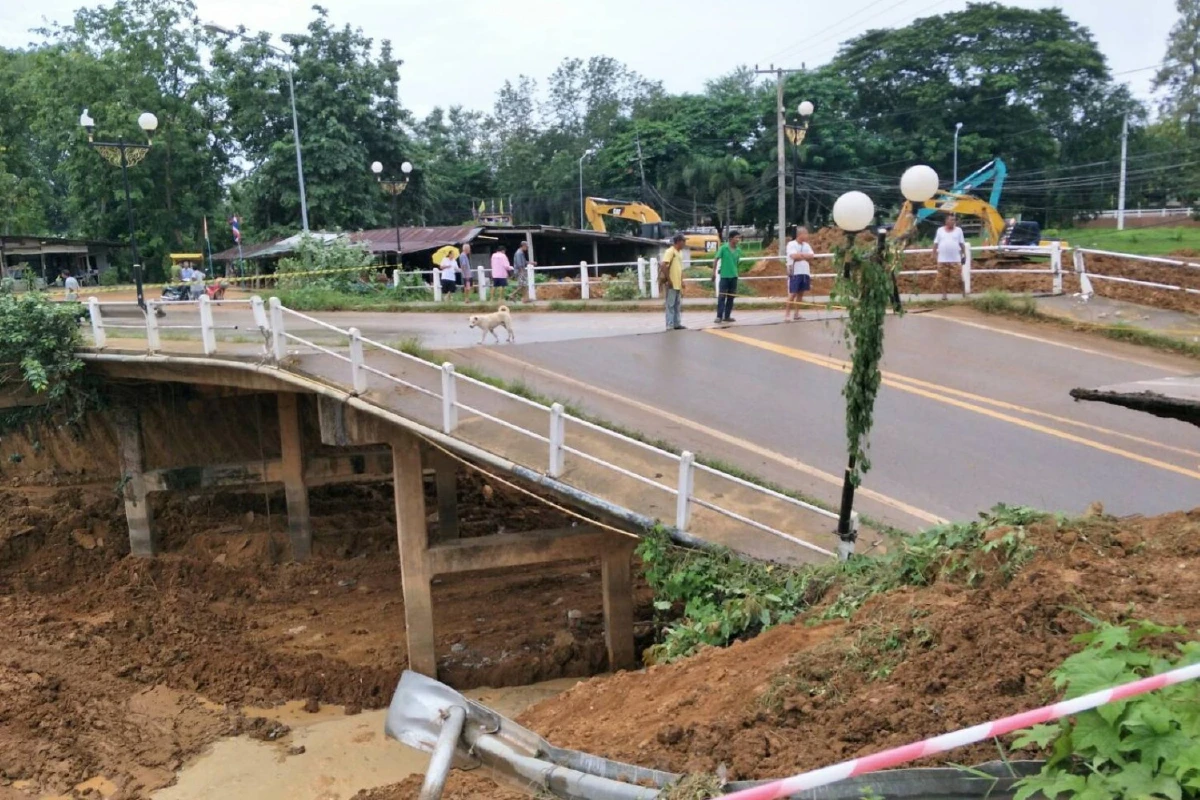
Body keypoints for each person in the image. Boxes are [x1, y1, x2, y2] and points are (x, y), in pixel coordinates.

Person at [933, 213, 967, 301]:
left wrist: (964, 255)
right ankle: (944, 295)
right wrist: (933, 254)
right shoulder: (940, 230)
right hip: (942, 259)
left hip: (955, 259)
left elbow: (962, 244)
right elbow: (936, 243)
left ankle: (964, 294)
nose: (953, 222)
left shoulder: (958, 230)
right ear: (946, 221)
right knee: (943, 278)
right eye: (951, 220)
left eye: (954, 220)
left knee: (958, 277)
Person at [785, 226, 815, 322]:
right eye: (805, 233)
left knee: (801, 293)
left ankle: (797, 313)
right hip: (795, 271)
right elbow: (794, 256)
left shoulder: (806, 245)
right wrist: (804, 256)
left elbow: (811, 255)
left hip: (805, 271)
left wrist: (801, 255)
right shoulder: (791, 244)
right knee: (792, 293)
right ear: (800, 234)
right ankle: (787, 314)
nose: (807, 235)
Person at [713, 231, 743, 323]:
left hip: (734, 276)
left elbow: (737, 262)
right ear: (730, 239)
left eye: (739, 238)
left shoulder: (738, 250)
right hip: (724, 276)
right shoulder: (723, 248)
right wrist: (713, 272)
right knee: (722, 296)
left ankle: (727, 316)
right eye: (736, 238)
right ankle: (719, 316)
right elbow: (716, 259)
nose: (738, 239)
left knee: (731, 297)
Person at [660, 234, 686, 331]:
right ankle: (670, 324)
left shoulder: (680, 253)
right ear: (678, 242)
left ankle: (677, 323)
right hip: (671, 283)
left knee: (677, 305)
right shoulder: (670, 252)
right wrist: (669, 280)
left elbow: (680, 269)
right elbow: (663, 265)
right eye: (683, 241)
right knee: (670, 305)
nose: (684, 244)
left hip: (678, 283)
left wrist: (682, 281)